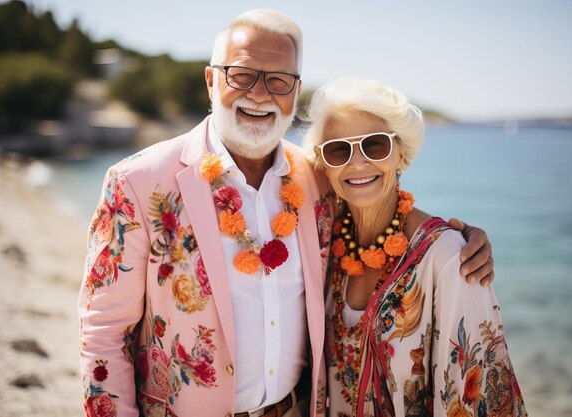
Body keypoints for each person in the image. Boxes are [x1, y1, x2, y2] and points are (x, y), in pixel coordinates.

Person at [78, 10, 495, 417]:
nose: (259, 94)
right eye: (241, 75)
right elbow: (103, 334)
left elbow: (378, 215)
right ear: (211, 81)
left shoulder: (316, 178)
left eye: (278, 80)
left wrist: (454, 239)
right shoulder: (136, 182)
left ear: (295, 91)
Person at [302, 77, 526, 416]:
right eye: (339, 149)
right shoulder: (323, 243)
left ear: (399, 152)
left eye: (375, 145)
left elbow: (476, 395)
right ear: (324, 164)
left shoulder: (449, 256)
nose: (358, 162)